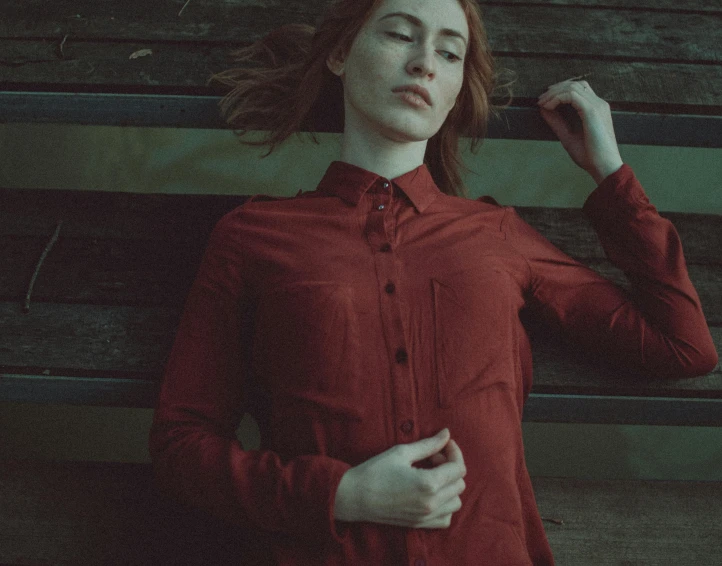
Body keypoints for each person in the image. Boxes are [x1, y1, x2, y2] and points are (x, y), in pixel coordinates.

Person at [148, 0, 718, 564]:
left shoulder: (495, 234)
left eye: (449, 53)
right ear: (341, 54)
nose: (425, 63)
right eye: (400, 35)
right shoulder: (252, 237)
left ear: (455, 90)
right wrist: (342, 495)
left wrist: (609, 169)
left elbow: (683, 346)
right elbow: (180, 445)